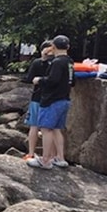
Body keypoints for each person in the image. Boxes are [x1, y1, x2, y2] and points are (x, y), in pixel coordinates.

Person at [28, 35, 75, 169]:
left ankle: (45, 160)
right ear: (68, 47)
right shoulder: (70, 62)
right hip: (64, 99)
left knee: (46, 129)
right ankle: (60, 158)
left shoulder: (57, 62)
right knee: (56, 129)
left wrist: (39, 80)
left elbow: (52, 80)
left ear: (53, 47)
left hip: (52, 100)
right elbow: (73, 81)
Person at [21, 40, 54, 160]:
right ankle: (32, 153)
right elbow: (30, 78)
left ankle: (46, 155)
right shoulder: (39, 63)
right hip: (42, 98)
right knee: (36, 126)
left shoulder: (54, 63)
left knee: (46, 128)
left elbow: (30, 78)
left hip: (46, 98)